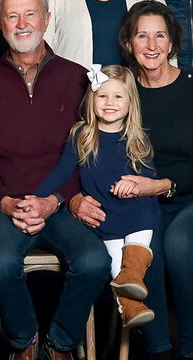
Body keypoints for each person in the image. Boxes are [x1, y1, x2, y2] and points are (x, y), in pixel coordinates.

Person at [74, 0, 193, 360]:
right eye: (142, 34)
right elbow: (93, 152)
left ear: (172, 41)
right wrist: (77, 197)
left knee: (178, 240)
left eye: (160, 34)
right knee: (148, 248)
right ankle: (158, 354)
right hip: (141, 208)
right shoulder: (119, 94)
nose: (151, 44)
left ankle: (191, 357)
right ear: (128, 41)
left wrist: (158, 185)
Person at [0, 0, 110, 360]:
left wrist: (56, 199)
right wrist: (6, 202)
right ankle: (24, 340)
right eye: (12, 15)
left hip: (60, 202)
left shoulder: (80, 79)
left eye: (30, 13)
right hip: (4, 202)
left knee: (95, 261)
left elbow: (90, 152)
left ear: (47, 19)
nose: (22, 22)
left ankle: (60, 343)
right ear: (0, 24)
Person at [38, 64, 159, 329]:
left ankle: (134, 274)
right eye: (102, 95)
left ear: (130, 102)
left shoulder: (136, 138)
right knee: (114, 259)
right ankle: (131, 305)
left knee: (146, 213)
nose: (109, 103)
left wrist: (134, 184)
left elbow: (148, 178)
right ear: (92, 99)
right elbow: (61, 173)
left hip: (135, 209)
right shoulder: (81, 135)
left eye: (118, 96)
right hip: (104, 214)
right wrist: (39, 196)